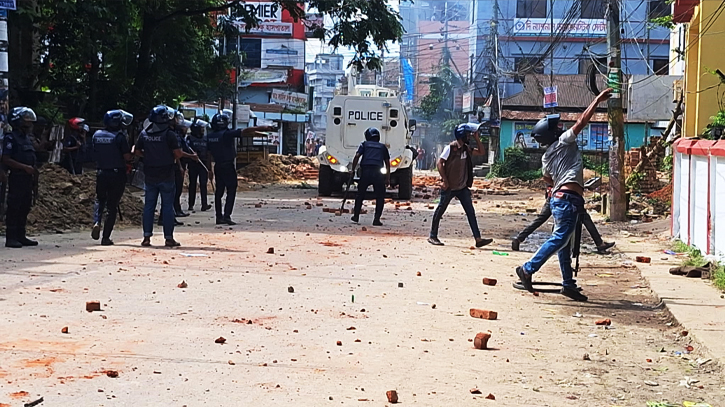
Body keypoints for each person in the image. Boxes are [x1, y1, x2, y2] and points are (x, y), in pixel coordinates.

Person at [515, 88, 613, 302]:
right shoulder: (564, 141)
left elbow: (547, 180)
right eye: (557, 127)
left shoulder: (545, 157)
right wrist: (597, 100)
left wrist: (556, 186)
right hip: (568, 200)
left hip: (561, 199)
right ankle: (528, 269)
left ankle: (568, 284)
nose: (562, 128)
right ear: (552, 134)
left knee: (564, 243)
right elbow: (582, 121)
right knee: (560, 239)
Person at [134, 105, 197, 247]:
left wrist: (149, 156)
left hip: (150, 175)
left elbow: (137, 151)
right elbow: (178, 154)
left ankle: (146, 238)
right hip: (167, 175)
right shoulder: (169, 134)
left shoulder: (144, 134)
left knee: (149, 206)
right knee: (167, 206)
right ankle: (168, 238)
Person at [428, 123, 493, 248]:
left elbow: (481, 152)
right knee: (440, 210)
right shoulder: (451, 148)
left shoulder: (466, 148)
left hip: (462, 187)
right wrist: (444, 180)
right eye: (468, 134)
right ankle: (432, 236)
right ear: (462, 135)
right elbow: (440, 163)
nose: (469, 136)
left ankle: (478, 239)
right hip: (450, 187)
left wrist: (477, 138)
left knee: (470, 212)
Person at [207, 112, 274, 225]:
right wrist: (262, 127)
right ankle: (227, 216)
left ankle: (219, 217)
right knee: (231, 189)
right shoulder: (226, 134)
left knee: (219, 192)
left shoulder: (210, 137)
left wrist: (209, 169)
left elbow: (208, 154)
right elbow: (245, 131)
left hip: (218, 166)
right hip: (228, 165)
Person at [512, 184, 615, 254]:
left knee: (541, 219)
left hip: (554, 194)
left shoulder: (554, 160)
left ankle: (519, 238)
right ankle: (599, 243)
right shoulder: (569, 162)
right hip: (565, 197)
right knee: (583, 218)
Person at [91, 109, 134, 246]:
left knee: (100, 199)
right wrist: (133, 151)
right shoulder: (120, 137)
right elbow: (127, 157)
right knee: (112, 206)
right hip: (117, 174)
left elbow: (94, 152)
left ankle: (97, 221)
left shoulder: (96, 135)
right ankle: (106, 237)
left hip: (101, 172)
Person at [2, 107, 39, 248]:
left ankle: (21, 235)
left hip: (28, 179)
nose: (29, 125)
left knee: (25, 206)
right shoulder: (10, 138)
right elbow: (6, 159)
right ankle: (11, 238)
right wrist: (24, 167)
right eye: (26, 122)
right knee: (14, 207)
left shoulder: (27, 138)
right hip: (17, 177)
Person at [350, 127, 390, 226]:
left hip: (366, 172)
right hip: (378, 173)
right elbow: (387, 163)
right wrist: (387, 178)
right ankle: (376, 219)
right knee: (380, 197)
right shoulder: (382, 147)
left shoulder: (364, 144)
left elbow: (357, 156)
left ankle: (356, 216)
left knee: (360, 195)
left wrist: (352, 170)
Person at [186, 118, 212, 212]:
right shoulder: (189, 139)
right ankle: (191, 204)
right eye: (201, 128)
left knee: (203, 184)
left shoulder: (206, 139)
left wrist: (209, 168)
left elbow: (208, 153)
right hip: (193, 164)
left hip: (203, 164)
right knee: (192, 184)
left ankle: (204, 204)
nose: (202, 130)